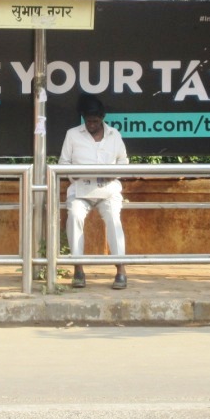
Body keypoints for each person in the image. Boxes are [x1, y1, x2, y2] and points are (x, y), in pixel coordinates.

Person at [59, 92, 129, 290]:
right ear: (83, 118)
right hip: (81, 189)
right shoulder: (72, 134)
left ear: (102, 118)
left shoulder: (115, 135)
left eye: (95, 121)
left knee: (114, 219)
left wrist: (113, 173)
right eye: (88, 121)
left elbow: (124, 161)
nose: (91, 125)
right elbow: (63, 163)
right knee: (74, 217)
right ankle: (78, 269)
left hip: (108, 190)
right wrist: (77, 174)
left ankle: (121, 270)